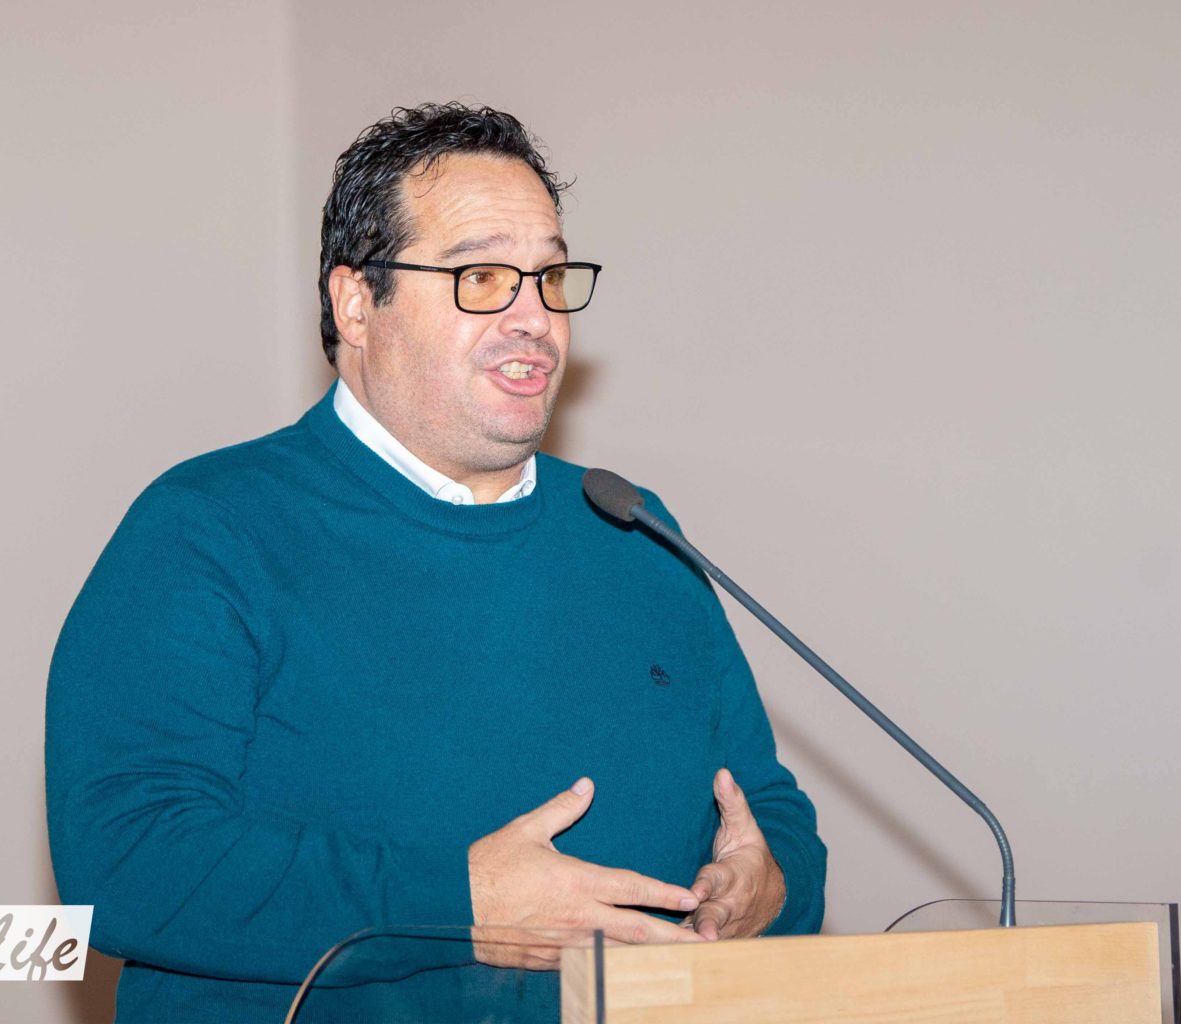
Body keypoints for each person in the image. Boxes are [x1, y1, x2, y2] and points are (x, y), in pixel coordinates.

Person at [46, 102, 825, 1023]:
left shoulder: (631, 530)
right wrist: (458, 907)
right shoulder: (207, 530)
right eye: (482, 276)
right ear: (356, 304)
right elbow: (125, 861)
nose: (535, 317)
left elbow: (767, 810)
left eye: (550, 276)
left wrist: (766, 885)